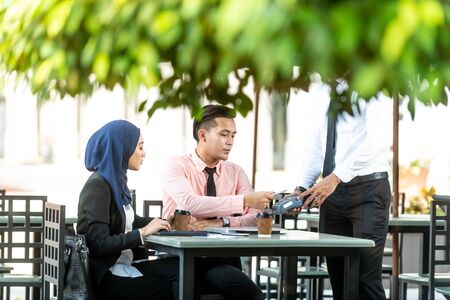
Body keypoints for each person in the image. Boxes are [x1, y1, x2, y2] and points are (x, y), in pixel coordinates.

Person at [161, 104, 271, 300]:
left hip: (221, 257)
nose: (230, 142)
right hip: (178, 255)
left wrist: (222, 222)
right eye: (224, 134)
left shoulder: (235, 171)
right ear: (202, 136)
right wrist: (243, 200)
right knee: (185, 292)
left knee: (251, 295)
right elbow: (189, 203)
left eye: (233, 136)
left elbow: (255, 217)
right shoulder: (176, 164)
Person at [295, 84, 392, 300]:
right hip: (332, 194)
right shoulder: (319, 90)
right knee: (339, 279)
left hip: (368, 191)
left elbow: (378, 141)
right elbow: (315, 146)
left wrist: (336, 176)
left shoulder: (371, 82)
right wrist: (302, 187)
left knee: (366, 280)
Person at [77, 120, 179, 300]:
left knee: (181, 269)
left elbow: (129, 220)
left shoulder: (116, 180)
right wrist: (143, 233)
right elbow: (98, 244)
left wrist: (161, 222)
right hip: (106, 274)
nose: (144, 153)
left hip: (126, 262)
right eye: (140, 147)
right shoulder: (98, 187)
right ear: (121, 148)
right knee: (165, 287)